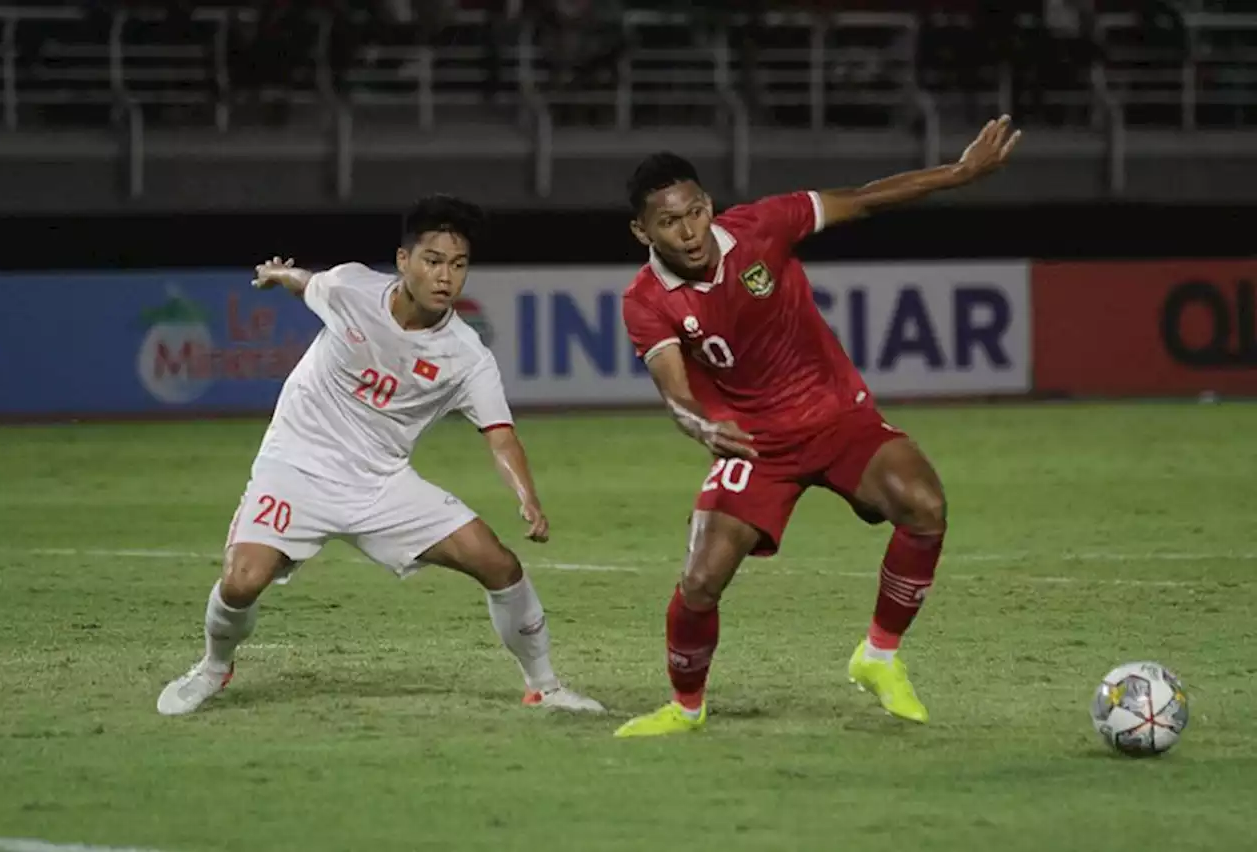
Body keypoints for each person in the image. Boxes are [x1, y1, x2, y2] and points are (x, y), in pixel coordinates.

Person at [614, 116, 1022, 737]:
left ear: (709, 205)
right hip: (754, 442)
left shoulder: (763, 226)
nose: (689, 230)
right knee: (700, 580)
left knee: (925, 506)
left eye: (695, 211)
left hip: (837, 416)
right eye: (669, 222)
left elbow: (863, 200)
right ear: (642, 230)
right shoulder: (645, 299)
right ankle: (686, 707)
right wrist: (700, 425)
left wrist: (960, 172)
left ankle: (878, 655)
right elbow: (672, 387)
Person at [157, 194, 604, 717]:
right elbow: (312, 285)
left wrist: (528, 497)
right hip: (295, 466)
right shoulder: (351, 288)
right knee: (240, 582)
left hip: (379, 483)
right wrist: (284, 276)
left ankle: (544, 686)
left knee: (498, 564)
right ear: (403, 261)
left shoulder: (465, 355)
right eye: (433, 261)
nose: (446, 277)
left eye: (459, 265)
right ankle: (214, 666)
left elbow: (500, 434)